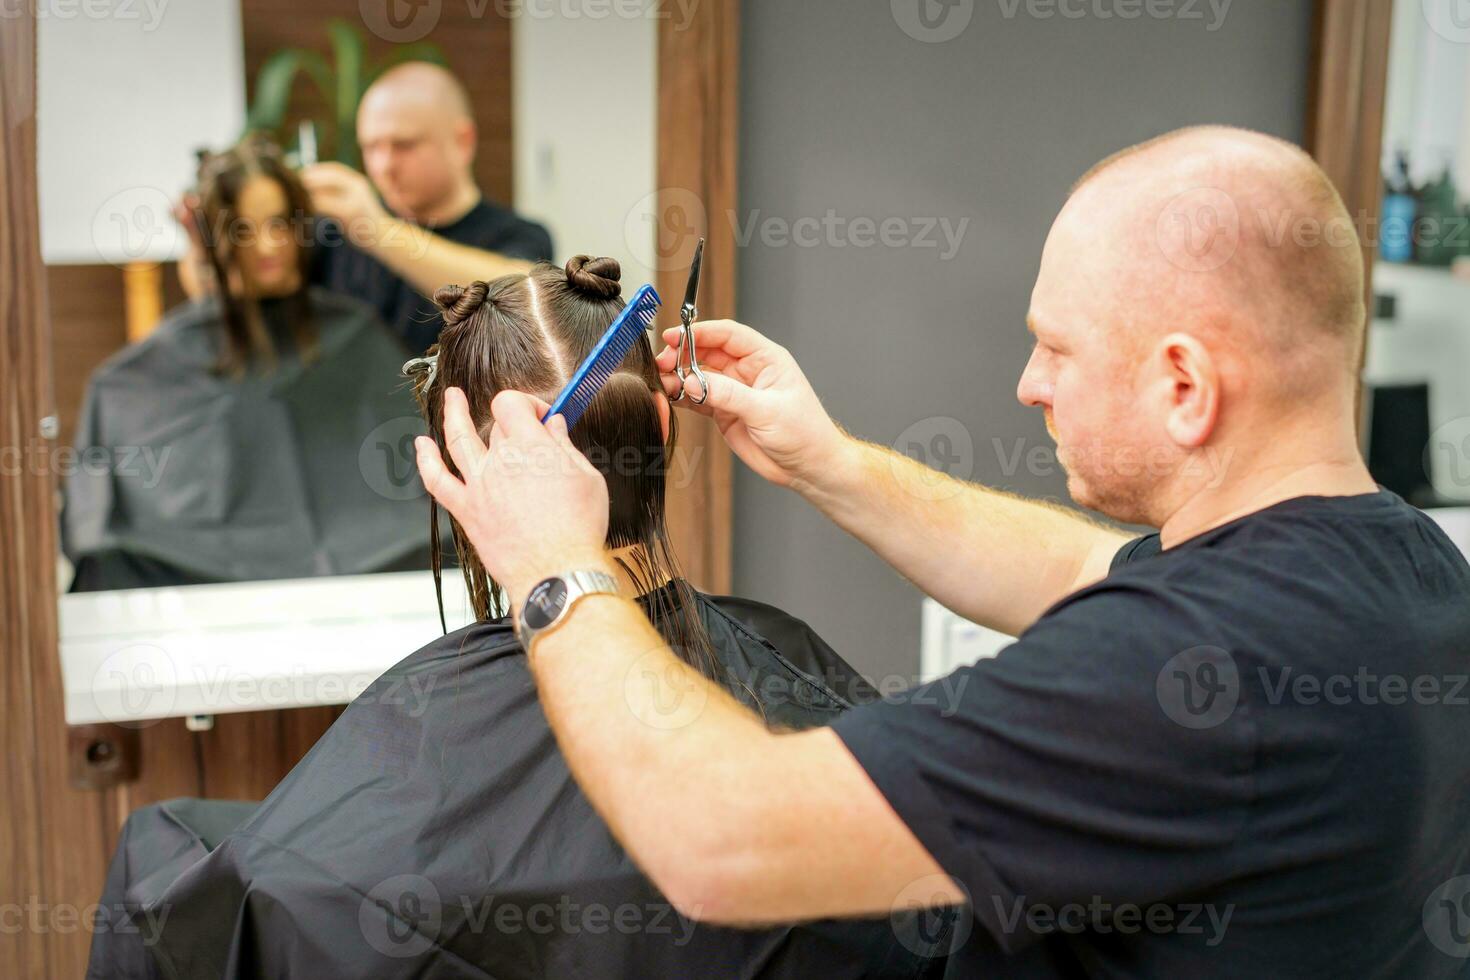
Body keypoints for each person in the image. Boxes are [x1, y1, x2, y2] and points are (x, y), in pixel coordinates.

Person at [412, 126, 1470, 978]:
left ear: (1185, 385)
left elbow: (717, 840)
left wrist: (557, 568)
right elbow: (1084, 569)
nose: (1030, 383)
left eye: (1057, 346)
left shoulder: (1174, 673)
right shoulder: (1399, 566)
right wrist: (830, 461)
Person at [87, 257, 945, 978]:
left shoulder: (421, 728)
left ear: (461, 478)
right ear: (661, 421)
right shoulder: (794, 665)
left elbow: (259, 904)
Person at [63, 136, 431, 591]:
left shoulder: (354, 331)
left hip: (372, 555)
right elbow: (97, 518)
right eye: (243, 228)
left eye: (279, 223)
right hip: (208, 568)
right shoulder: (139, 372)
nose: (267, 245)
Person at [180, 62, 553, 354]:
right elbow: (233, 295)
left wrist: (378, 230)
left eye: (403, 145)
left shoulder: (516, 235)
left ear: (462, 141)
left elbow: (522, 295)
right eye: (371, 147)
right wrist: (207, 249)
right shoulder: (335, 237)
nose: (383, 166)